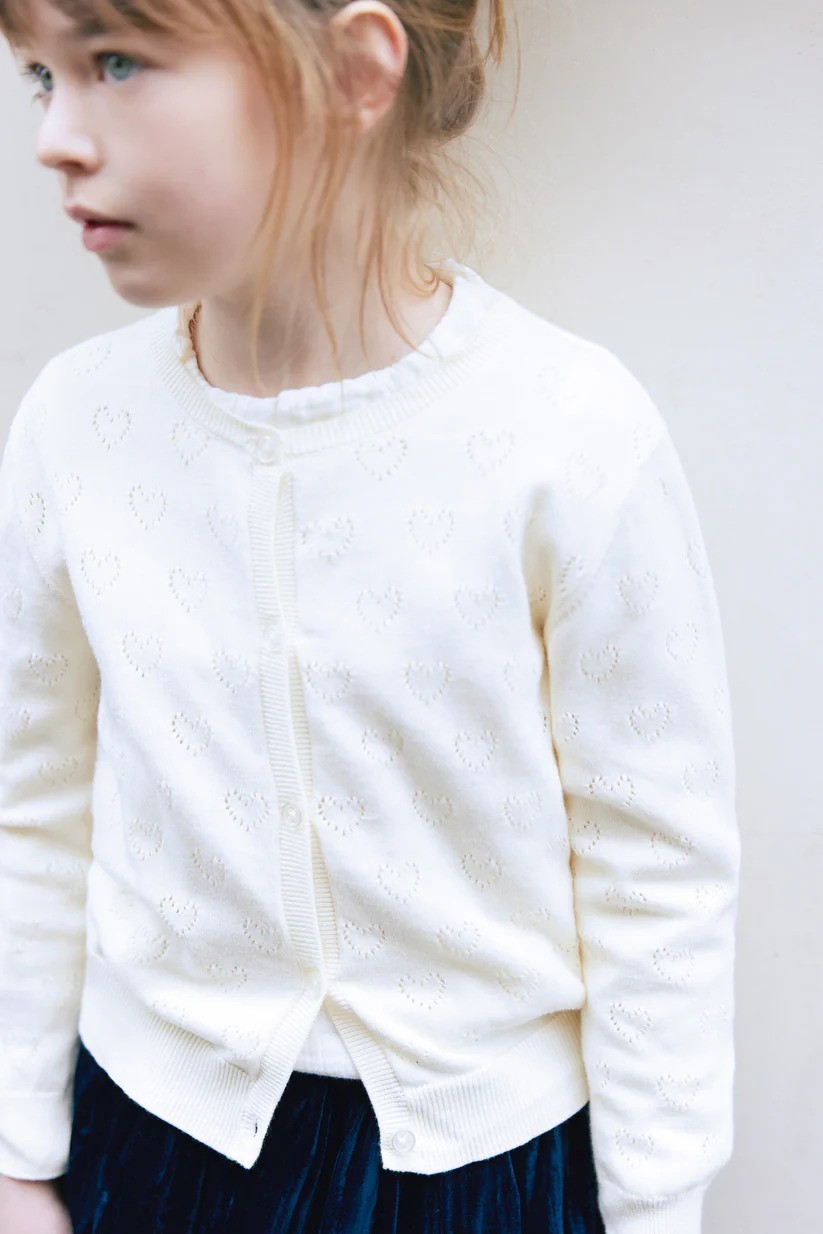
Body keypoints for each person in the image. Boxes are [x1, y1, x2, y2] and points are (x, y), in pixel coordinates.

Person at [0, 0, 742, 1231]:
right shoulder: (74, 427)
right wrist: (17, 1159)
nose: (56, 138)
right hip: (155, 1146)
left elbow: (655, 863)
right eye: (42, 76)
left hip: (483, 1174)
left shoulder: (568, 435)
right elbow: (32, 806)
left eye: (116, 61)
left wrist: (658, 1205)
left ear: (353, 69)